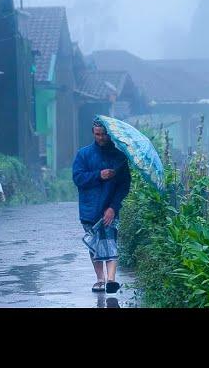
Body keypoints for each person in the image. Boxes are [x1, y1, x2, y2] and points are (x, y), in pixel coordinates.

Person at [73, 119, 131, 294]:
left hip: (110, 209)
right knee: (95, 244)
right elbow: (78, 178)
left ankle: (111, 280)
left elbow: (124, 185)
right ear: (93, 133)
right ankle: (100, 279)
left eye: (104, 134)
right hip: (89, 208)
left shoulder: (119, 158)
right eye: (97, 134)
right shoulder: (83, 155)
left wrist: (113, 207)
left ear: (109, 134)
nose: (101, 138)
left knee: (111, 241)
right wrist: (99, 175)